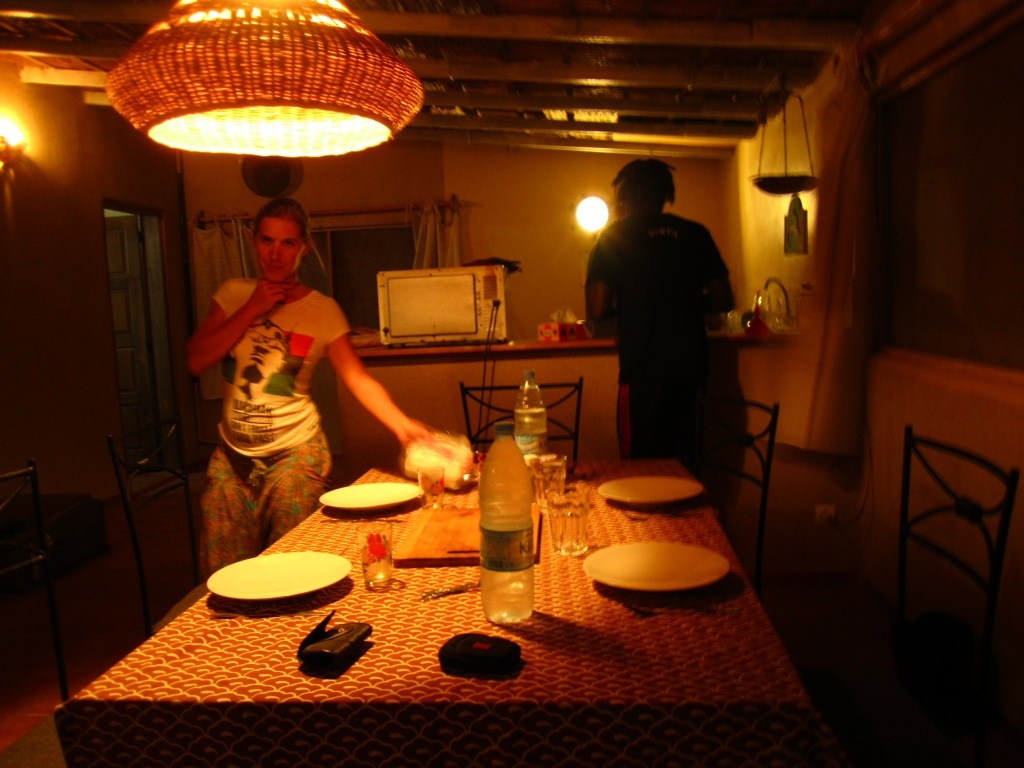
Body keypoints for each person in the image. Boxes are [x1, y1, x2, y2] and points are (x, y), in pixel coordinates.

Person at [187, 197, 430, 575]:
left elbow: (356, 377)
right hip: (232, 458)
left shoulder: (322, 311)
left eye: (288, 243)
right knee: (224, 572)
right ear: (254, 242)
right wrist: (251, 309)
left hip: (295, 455)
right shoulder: (233, 293)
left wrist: (403, 426)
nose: (275, 254)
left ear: (303, 248)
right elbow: (196, 359)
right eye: (267, 240)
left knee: (293, 564)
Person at [585, 159, 734, 467]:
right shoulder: (696, 233)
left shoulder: (613, 236)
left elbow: (597, 309)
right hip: (691, 366)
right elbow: (723, 300)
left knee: (640, 466)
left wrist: (634, 303)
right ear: (666, 193)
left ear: (624, 196)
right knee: (686, 463)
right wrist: (684, 301)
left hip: (642, 368)